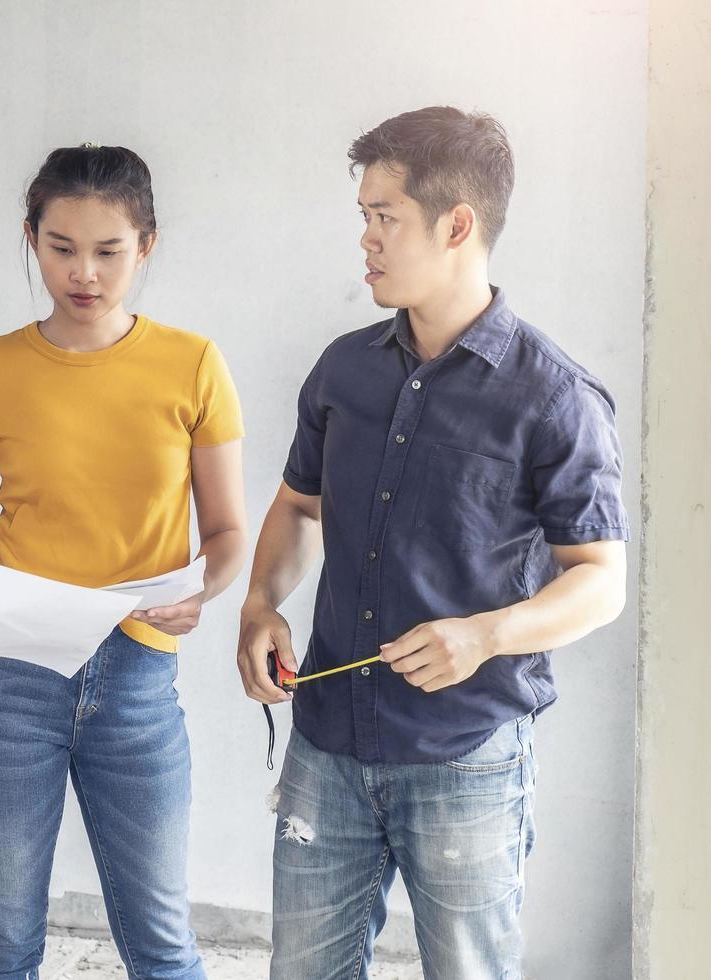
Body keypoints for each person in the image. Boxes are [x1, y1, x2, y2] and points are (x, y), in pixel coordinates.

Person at [236, 106, 629, 979]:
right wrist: (261, 605)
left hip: (468, 756)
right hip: (327, 744)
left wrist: (484, 634)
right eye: (364, 218)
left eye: (387, 218)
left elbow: (601, 582)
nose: (367, 241)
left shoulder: (556, 397)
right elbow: (298, 508)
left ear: (457, 225)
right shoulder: (344, 368)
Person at [0, 144, 247, 980]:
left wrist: (199, 593)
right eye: (62, 247)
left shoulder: (194, 364)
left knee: (163, 943)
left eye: (109, 251)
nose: (85, 273)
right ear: (31, 237)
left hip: (139, 673)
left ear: (148, 245)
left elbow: (228, 534)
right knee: (1, 940)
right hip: (6, 678)